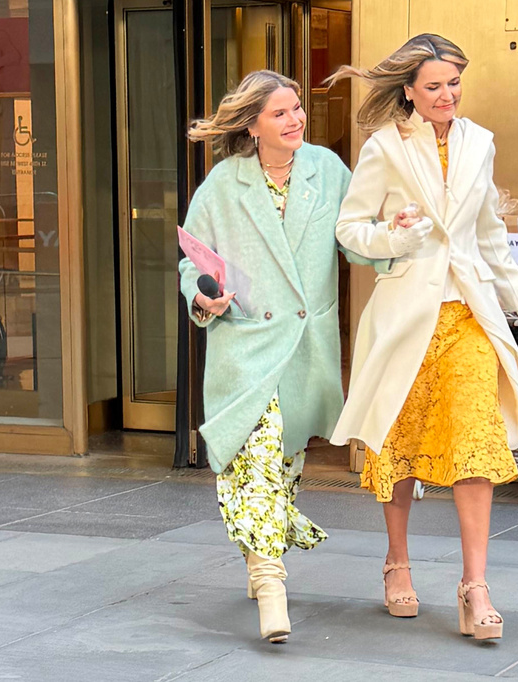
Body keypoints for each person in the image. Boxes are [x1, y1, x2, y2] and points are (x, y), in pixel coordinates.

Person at [328, 34, 518, 641]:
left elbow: (489, 234)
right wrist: (394, 236)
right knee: (398, 443)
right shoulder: (384, 147)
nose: (446, 95)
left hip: (469, 316)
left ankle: (474, 587)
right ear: (408, 91)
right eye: (433, 86)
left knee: (476, 444)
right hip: (405, 318)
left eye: (453, 84)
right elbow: (350, 231)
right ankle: (397, 561)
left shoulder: (481, 143)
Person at [178, 70, 388, 644]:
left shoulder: (328, 169)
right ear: (252, 125)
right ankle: (272, 584)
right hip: (245, 346)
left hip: (304, 346)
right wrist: (203, 293)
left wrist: (393, 241)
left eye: (297, 108)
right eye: (280, 113)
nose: (295, 119)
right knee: (256, 459)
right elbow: (191, 261)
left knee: (284, 465)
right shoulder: (223, 185)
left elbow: (355, 239)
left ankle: (257, 555)